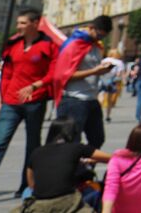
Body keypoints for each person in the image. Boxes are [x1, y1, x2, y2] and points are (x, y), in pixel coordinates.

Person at [0, 9, 59, 204]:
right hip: (11, 103)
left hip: (35, 101)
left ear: (35, 24)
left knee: (32, 146)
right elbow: (7, 74)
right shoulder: (12, 44)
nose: (18, 26)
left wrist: (36, 85)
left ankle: (26, 187)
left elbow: (54, 73)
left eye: (22, 23)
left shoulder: (48, 46)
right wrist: (1, 100)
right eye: (18, 23)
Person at [49, 15, 115, 151]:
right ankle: (72, 168)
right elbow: (64, 75)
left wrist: (102, 69)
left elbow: (92, 69)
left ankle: (82, 164)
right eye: (99, 35)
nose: (100, 39)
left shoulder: (96, 46)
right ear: (91, 28)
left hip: (91, 98)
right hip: (73, 99)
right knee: (70, 141)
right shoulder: (74, 44)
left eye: (103, 37)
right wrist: (93, 71)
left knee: (97, 138)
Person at [25, 118, 111, 213]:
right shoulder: (76, 148)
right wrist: (93, 160)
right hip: (68, 202)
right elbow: (112, 158)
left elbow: (31, 185)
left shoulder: (36, 152)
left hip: (39, 205)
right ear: (72, 133)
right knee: (97, 193)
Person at [99, 53, 127, 122]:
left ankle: (98, 110)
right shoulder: (119, 62)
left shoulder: (104, 60)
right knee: (109, 99)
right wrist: (124, 81)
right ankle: (108, 116)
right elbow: (120, 74)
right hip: (111, 81)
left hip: (102, 79)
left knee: (101, 95)